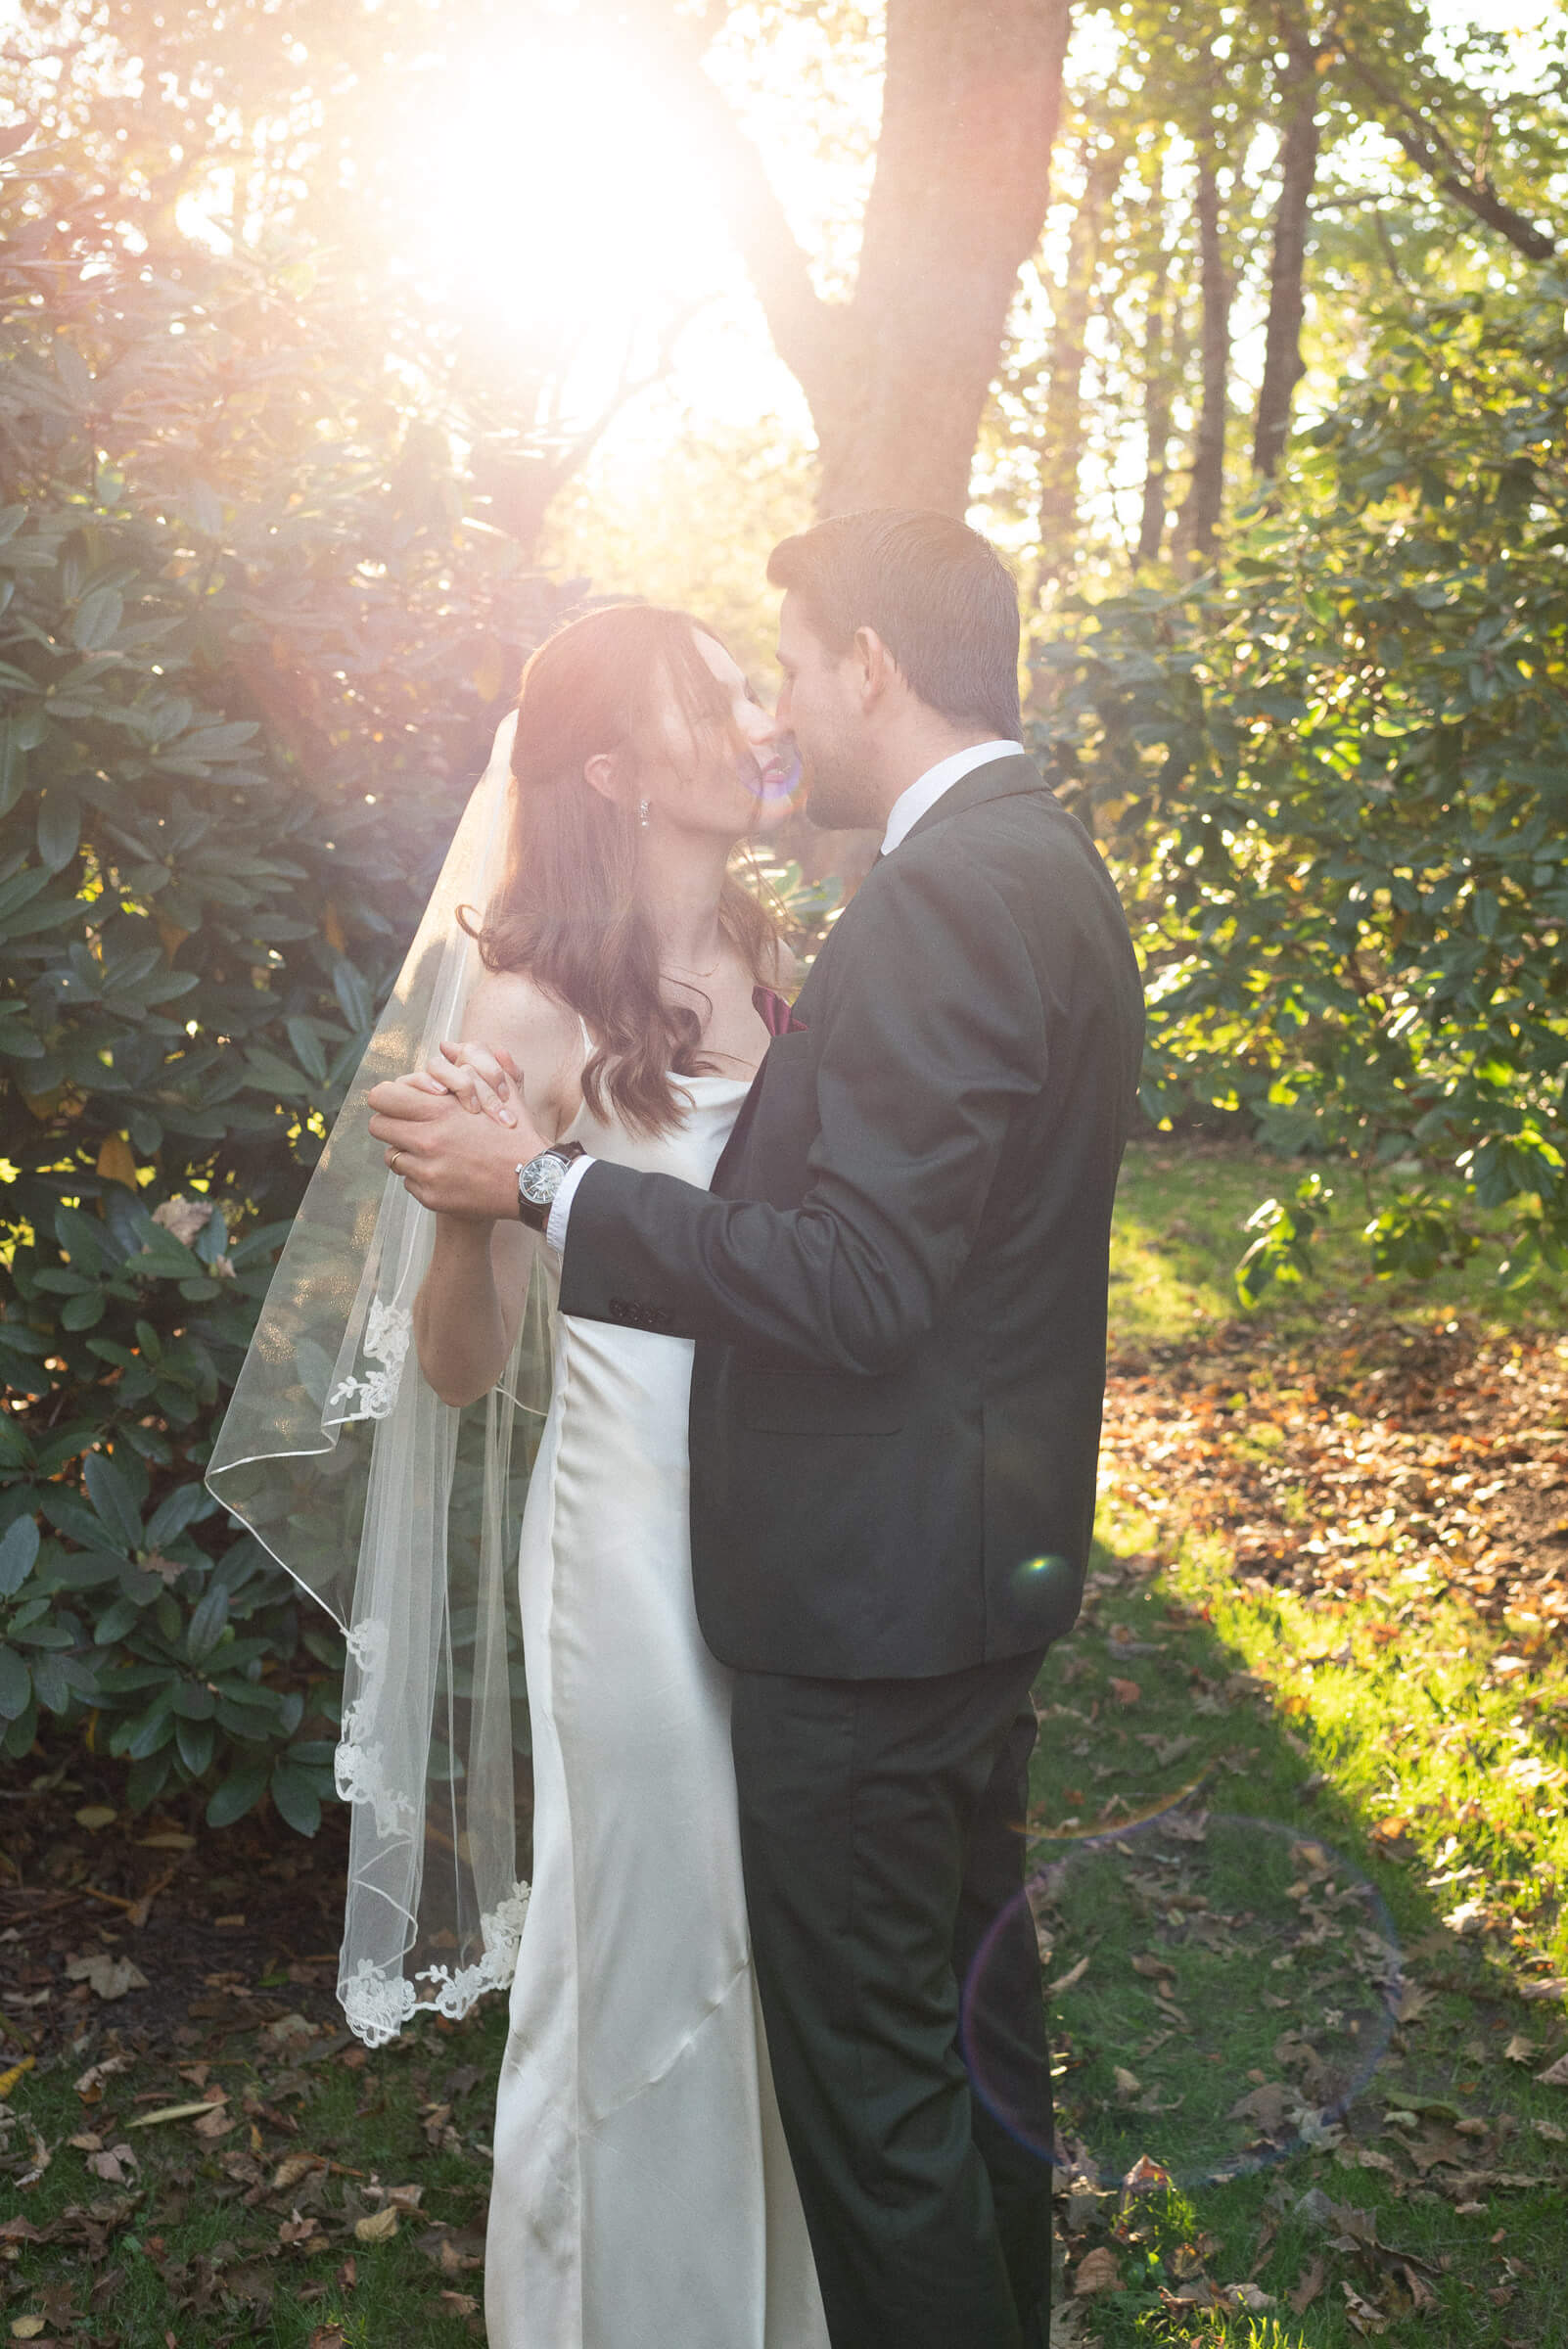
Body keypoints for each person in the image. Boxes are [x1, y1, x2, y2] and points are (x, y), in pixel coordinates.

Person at [370, 509, 1146, 2349]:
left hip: (817, 1543)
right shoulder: (527, 1001)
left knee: (835, 1999)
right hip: (646, 1544)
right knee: (676, 1961)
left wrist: (550, 1186)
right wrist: (485, 1202)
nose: (758, 706)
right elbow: (463, 1364)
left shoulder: (797, 947)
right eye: (714, 694)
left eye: (769, 667)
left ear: (865, 664)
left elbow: (854, 1260)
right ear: (624, 769)